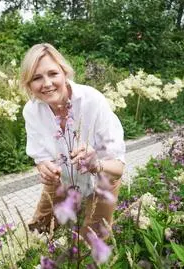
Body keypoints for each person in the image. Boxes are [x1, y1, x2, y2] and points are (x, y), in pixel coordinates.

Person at [20, 43, 125, 240]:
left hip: (102, 179)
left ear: (64, 73)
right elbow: (41, 158)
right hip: (62, 179)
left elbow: (118, 168)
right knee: (38, 229)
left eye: (53, 73)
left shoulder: (92, 101)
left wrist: (96, 164)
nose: (47, 83)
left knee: (92, 241)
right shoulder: (32, 110)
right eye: (36, 78)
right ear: (29, 84)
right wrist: (45, 168)